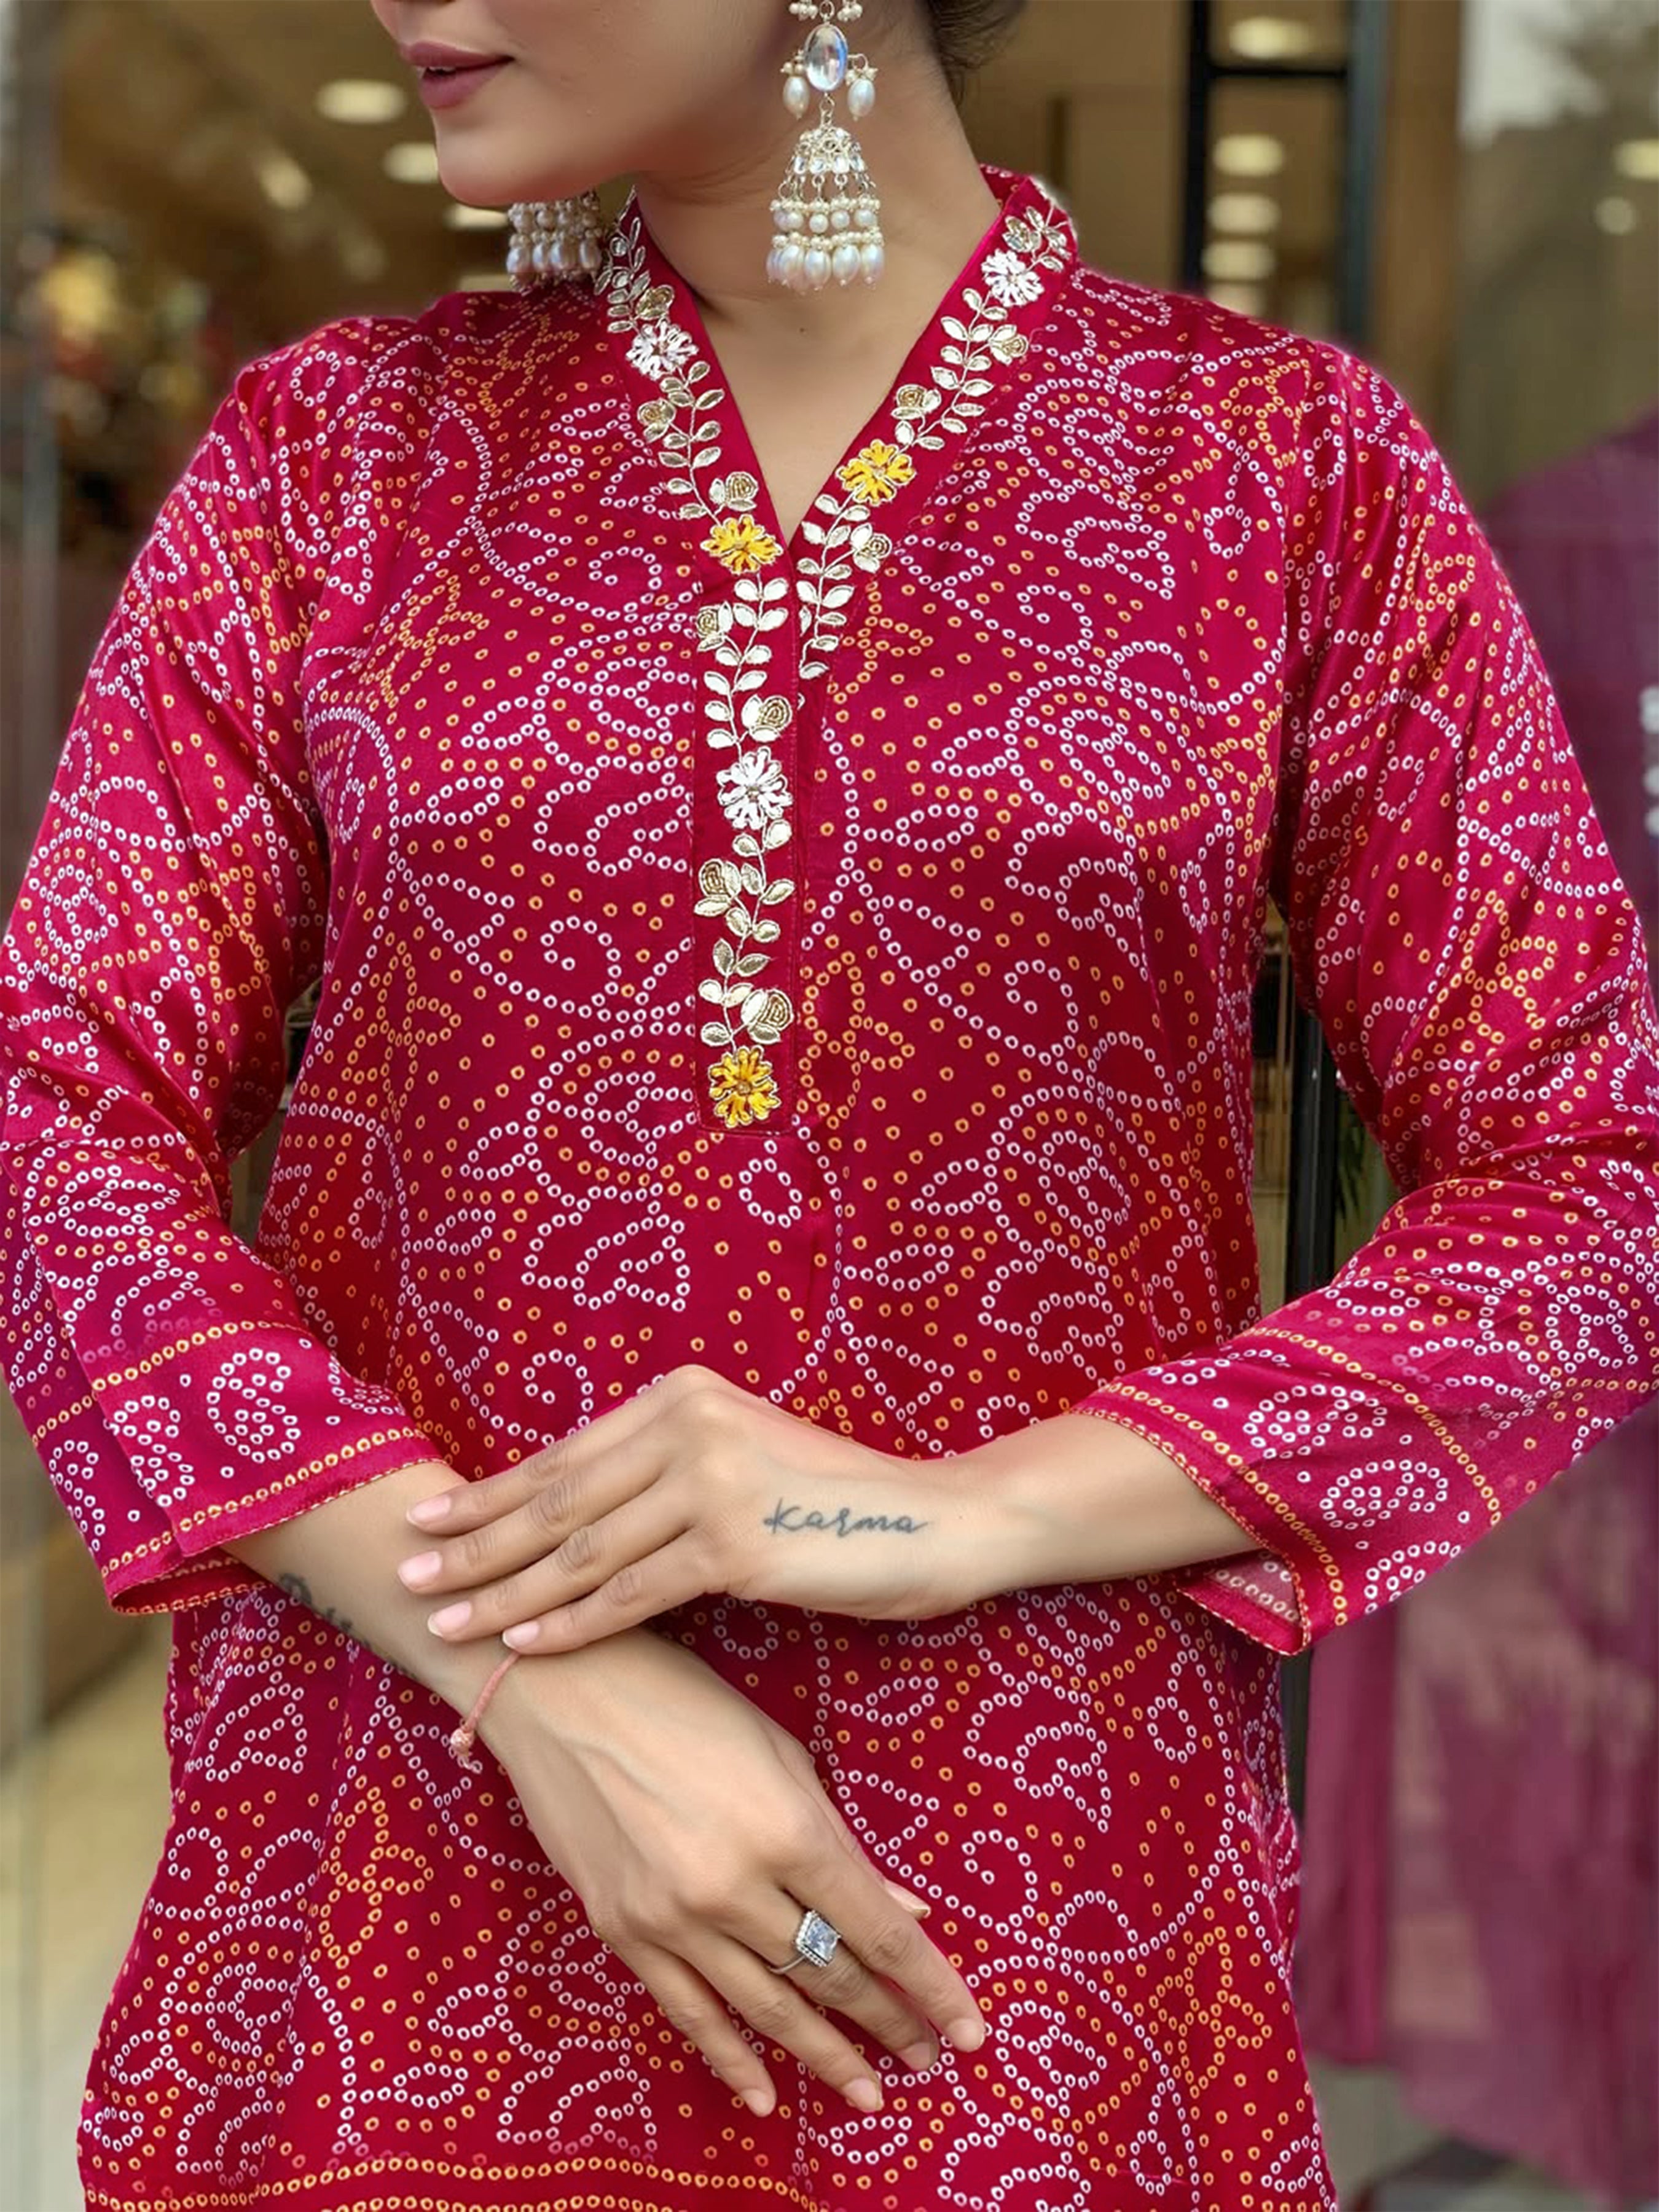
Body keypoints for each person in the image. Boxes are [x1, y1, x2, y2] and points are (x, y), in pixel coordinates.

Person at [1, 1, 1654, 2205]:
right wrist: (523, 1676)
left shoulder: (1271, 466)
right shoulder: (340, 456)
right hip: (401, 1844)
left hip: (1015, 1900)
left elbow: (1585, 1172)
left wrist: (941, 1517)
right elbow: (56, 1108)